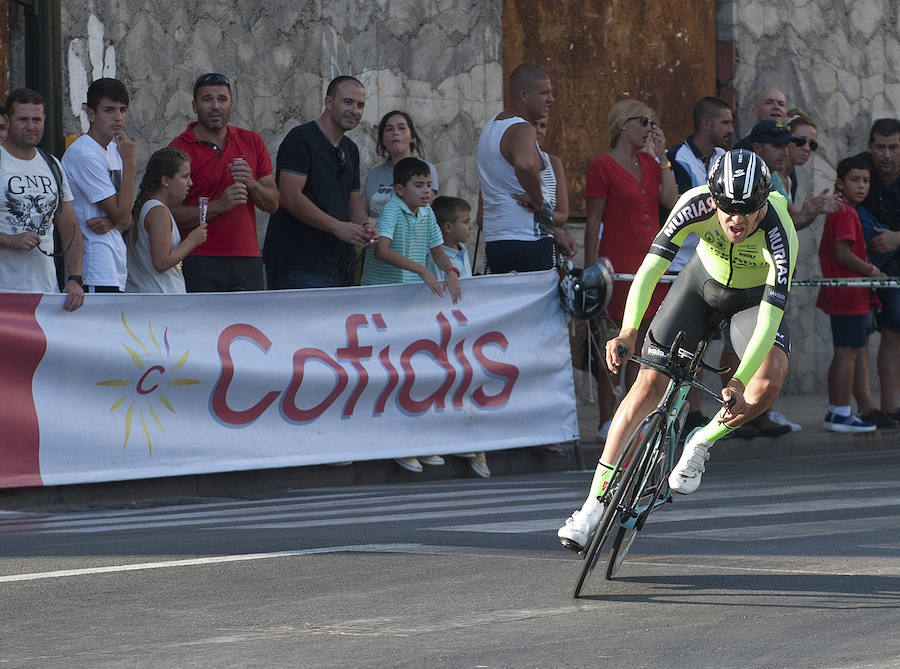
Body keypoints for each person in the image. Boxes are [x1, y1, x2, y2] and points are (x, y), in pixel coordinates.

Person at [558, 149, 797, 550]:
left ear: (764, 200)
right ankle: (591, 506)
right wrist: (630, 330)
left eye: (749, 209)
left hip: (752, 302)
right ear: (714, 198)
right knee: (647, 385)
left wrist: (738, 380)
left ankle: (702, 440)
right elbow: (650, 268)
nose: (737, 219)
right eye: (728, 208)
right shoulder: (694, 204)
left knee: (769, 380)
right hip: (700, 286)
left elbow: (770, 320)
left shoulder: (779, 233)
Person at [584, 99, 678, 441]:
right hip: (617, 265)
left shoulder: (652, 164)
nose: (649, 129)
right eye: (644, 122)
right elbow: (593, 220)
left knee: (645, 341)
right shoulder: (602, 166)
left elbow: (671, 200)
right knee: (612, 339)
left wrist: (663, 155)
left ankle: (634, 413)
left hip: (650, 263)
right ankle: (607, 417)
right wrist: (590, 271)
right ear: (624, 124)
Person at [360, 158, 461, 473]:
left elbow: (437, 250)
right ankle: (394, 443)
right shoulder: (391, 210)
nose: (426, 191)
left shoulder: (428, 212)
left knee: (413, 371)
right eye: (419, 185)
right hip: (383, 304)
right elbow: (382, 250)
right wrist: (421, 270)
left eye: (429, 185)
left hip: (409, 305)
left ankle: (414, 439)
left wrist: (451, 270)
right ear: (400, 189)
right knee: (387, 374)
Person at [263, 75, 378, 289]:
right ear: (328, 102)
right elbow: (289, 196)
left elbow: (353, 202)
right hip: (298, 265)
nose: (355, 110)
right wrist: (338, 227)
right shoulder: (301, 139)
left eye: (360, 105)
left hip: (338, 265)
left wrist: (364, 227)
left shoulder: (350, 149)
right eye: (348, 102)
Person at [169, 73, 278, 292]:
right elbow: (168, 213)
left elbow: (273, 204)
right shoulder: (179, 149)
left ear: (231, 104)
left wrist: (252, 183)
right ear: (194, 105)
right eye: (207, 99)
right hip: (199, 259)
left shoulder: (252, 141)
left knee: (248, 326)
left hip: (247, 258)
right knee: (201, 326)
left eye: (222, 99)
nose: (215, 106)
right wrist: (219, 205)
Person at [664, 96, 734, 434]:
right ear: (706, 124)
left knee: (703, 343)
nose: (731, 129)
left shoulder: (726, 160)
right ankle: (671, 408)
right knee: (678, 342)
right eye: (725, 122)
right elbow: (676, 206)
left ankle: (693, 411)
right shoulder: (676, 158)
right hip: (680, 265)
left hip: (714, 265)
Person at [816, 156, 896, 431]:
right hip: (847, 294)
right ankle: (839, 413)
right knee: (847, 352)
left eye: (865, 180)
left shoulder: (847, 210)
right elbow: (842, 253)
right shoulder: (845, 212)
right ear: (840, 183)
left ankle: (836, 410)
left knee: (847, 351)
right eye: (854, 180)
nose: (861, 186)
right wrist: (873, 271)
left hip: (852, 294)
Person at [477, 63, 574, 273]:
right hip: (525, 241)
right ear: (524, 95)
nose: (551, 99)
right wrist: (537, 199)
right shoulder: (521, 127)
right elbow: (525, 163)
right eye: (544, 93)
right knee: (537, 306)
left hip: (499, 241)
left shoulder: (492, 126)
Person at [425, 195, 491, 478]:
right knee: (442, 384)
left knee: (466, 382)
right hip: (442, 330)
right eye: (465, 222)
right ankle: (441, 440)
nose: (471, 226)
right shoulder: (435, 257)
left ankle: (473, 445)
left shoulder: (463, 251)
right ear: (448, 227)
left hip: (464, 330)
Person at [0, 88, 84, 311]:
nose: (31, 126)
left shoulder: (52, 164)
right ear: (7, 121)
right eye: (23, 119)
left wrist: (75, 278)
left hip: (46, 292)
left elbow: (70, 226)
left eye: (36, 119)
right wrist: (9, 240)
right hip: (5, 293)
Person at [61, 77, 135, 293]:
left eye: (122, 110)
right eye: (109, 110)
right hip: (93, 264)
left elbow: (127, 217)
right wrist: (130, 164)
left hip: (114, 261)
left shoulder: (114, 149)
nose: (118, 118)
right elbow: (122, 214)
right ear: (91, 114)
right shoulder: (84, 153)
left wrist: (113, 221)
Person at [856, 118, 900, 423]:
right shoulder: (856, 170)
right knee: (860, 339)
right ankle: (871, 408)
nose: (887, 154)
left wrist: (898, 237)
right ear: (870, 147)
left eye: (894, 147)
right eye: (881, 147)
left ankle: (891, 407)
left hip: (894, 266)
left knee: (894, 333)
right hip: (862, 267)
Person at [126, 148, 208, 293]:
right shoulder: (158, 211)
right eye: (184, 176)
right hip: (161, 299)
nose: (190, 183)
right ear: (165, 180)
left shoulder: (147, 208)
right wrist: (192, 241)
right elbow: (162, 262)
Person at [364, 110, 438, 219]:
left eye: (401, 128)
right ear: (382, 139)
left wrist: (376, 225)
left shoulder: (425, 169)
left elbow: (420, 210)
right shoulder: (374, 174)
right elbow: (362, 207)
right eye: (389, 129)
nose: (395, 133)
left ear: (412, 137)